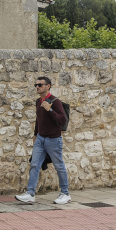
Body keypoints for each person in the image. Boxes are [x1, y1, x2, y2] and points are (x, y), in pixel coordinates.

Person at [15, 76, 70, 205]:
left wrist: (49, 109)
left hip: (53, 140)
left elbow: (62, 120)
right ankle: (30, 194)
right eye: (36, 85)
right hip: (40, 139)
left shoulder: (54, 101)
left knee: (59, 166)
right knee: (34, 165)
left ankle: (65, 194)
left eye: (40, 85)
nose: (37, 87)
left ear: (48, 86)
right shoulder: (38, 101)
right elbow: (38, 119)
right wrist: (35, 135)